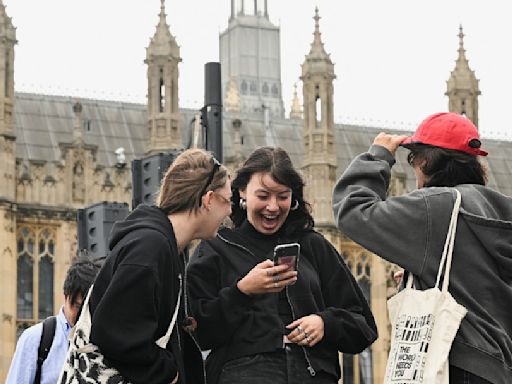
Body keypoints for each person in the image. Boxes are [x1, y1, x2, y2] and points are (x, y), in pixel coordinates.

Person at [332, 112, 512, 384]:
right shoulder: (502, 209)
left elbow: (352, 211)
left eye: (412, 159)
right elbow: (478, 281)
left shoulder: (435, 207)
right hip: (499, 367)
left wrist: (378, 156)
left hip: (454, 363)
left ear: (425, 160)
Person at [187, 146, 378, 384]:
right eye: (264, 196)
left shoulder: (313, 245)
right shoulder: (217, 246)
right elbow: (197, 332)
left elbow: (363, 327)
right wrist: (243, 291)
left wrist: (325, 323)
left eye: (283, 196)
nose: (273, 206)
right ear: (243, 192)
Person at [87, 148, 231, 384]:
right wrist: (167, 373)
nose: (230, 211)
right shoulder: (150, 247)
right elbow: (113, 332)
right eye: (227, 201)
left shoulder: (170, 248)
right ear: (208, 200)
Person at [6, 255, 101, 384]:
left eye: (88, 308)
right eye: (77, 306)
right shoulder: (35, 339)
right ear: (66, 295)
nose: (82, 315)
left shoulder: (103, 340)